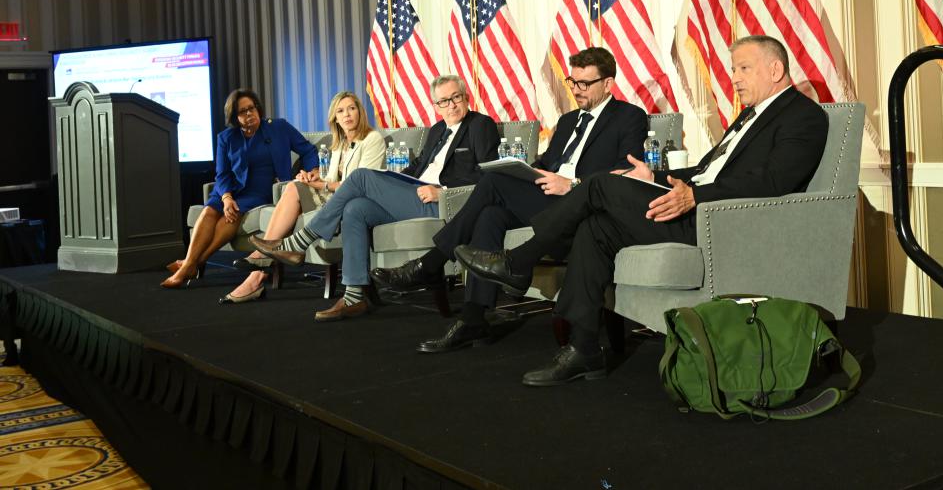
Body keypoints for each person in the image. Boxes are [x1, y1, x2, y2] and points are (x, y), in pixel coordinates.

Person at [457, 35, 829, 386]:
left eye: (742, 69)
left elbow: (774, 182)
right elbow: (705, 170)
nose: (733, 79)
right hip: (692, 205)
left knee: (599, 183)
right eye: (733, 70)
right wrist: (657, 175)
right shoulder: (749, 115)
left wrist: (695, 198)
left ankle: (518, 261)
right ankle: (584, 348)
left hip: (719, 221)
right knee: (595, 227)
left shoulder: (802, 116)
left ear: (775, 69)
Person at [372, 47, 647, 353]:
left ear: (608, 84)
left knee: (492, 182)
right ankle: (473, 319)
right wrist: (529, 171)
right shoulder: (568, 122)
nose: (576, 90)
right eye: (573, 81)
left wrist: (573, 184)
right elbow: (547, 162)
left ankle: (432, 262)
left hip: (582, 207)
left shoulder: (629, 117)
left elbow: (628, 172)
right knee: (490, 214)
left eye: (585, 84)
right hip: (547, 198)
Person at [250, 75, 499, 321]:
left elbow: (487, 174)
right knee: (355, 209)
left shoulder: (480, 125)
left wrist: (442, 190)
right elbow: (416, 167)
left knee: (359, 177)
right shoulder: (436, 131)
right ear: (436, 106)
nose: (452, 105)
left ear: (466, 97)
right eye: (444, 101)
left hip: (440, 202)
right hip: (414, 194)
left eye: (456, 97)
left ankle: (300, 242)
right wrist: (390, 179)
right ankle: (354, 296)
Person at [220, 91, 385, 304]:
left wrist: (322, 184)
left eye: (352, 108)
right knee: (294, 186)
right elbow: (330, 177)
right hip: (334, 195)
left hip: (355, 200)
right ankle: (260, 270)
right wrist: (312, 176)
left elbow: (360, 184)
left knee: (294, 189)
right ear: (334, 118)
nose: (347, 115)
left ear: (360, 112)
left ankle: (260, 263)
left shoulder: (372, 139)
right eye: (340, 111)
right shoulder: (340, 143)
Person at [162, 89, 317, 289]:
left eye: (251, 108)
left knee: (232, 214)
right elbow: (222, 173)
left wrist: (312, 169)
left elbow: (308, 149)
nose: (249, 114)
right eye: (242, 112)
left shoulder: (279, 127)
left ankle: (191, 265)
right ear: (235, 117)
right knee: (210, 210)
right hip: (230, 189)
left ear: (258, 108)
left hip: (260, 190)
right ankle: (191, 263)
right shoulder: (226, 137)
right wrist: (226, 197)